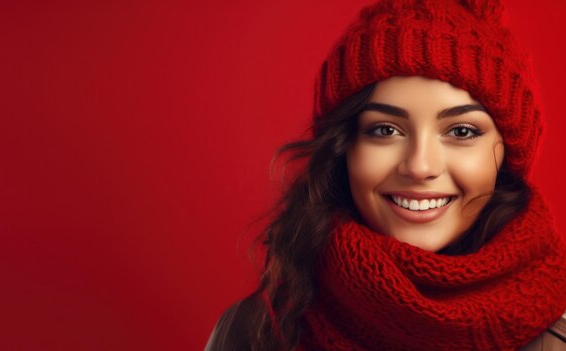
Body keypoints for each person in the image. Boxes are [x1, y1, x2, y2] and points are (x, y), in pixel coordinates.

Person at [206, 0, 566, 350]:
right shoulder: (253, 331)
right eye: (385, 130)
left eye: (461, 132)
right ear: (343, 146)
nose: (420, 166)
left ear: (505, 154)